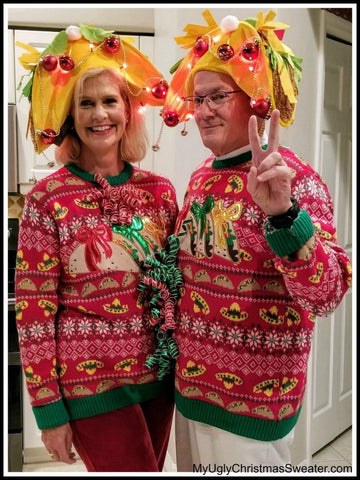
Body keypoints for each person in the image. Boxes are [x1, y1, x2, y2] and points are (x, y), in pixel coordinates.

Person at [161, 10, 352, 469]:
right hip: (192, 395)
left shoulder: (295, 181)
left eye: (219, 96)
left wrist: (285, 216)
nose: (204, 110)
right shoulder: (201, 178)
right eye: (197, 98)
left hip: (253, 409)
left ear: (255, 98)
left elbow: (326, 295)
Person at [15, 25, 179, 472]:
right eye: (85, 103)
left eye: (110, 101)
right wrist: (49, 411)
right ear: (71, 116)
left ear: (128, 111)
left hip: (158, 379)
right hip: (91, 385)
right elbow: (33, 309)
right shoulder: (47, 199)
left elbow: (177, 285)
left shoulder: (160, 192)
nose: (98, 114)